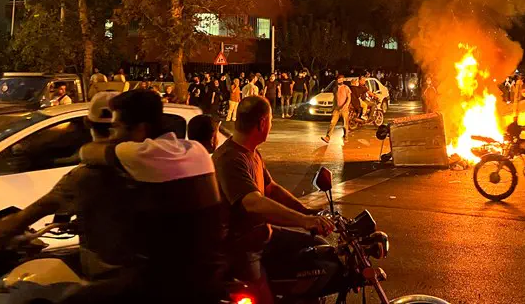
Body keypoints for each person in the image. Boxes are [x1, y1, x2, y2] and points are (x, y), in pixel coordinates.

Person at [0, 92, 155, 301]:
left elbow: (21, 219)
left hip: (113, 280)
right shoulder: (151, 167)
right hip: (145, 271)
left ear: (88, 124)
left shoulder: (85, 176)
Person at [79, 89, 229, 301]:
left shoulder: (141, 153)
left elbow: (87, 152)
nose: (114, 135)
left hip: (168, 285)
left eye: (117, 127)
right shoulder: (196, 149)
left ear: (141, 129)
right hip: (210, 274)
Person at [213, 96, 333, 304]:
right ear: (262, 123)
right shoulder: (230, 158)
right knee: (263, 299)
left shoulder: (251, 152)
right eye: (270, 120)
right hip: (243, 246)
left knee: (318, 251)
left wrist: (307, 212)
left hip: (263, 235)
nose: (271, 125)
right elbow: (253, 202)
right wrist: (303, 221)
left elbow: (271, 188)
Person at [321, 75, 352, 144]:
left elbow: (349, 98)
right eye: (338, 79)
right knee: (332, 123)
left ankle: (346, 137)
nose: (340, 80)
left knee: (345, 124)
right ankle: (327, 137)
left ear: (343, 80)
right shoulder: (335, 88)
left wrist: (346, 105)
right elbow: (335, 99)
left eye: (341, 79)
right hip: (337, 109)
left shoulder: (346, 87)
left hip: (344, 109)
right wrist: (333, 108)